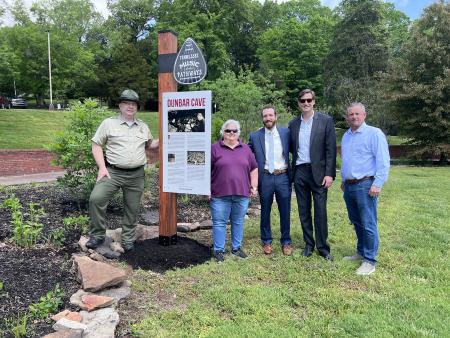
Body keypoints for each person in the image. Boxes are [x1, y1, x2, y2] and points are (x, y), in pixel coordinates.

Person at [86, 89, 159, 252]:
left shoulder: (143, 126)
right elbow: (96, 144)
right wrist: (102, 168)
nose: (130, 106)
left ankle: (127, 239)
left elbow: (149, 145)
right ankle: (97, 235)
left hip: (136, 175)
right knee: (96, 199)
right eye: (126, 103)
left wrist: (164, 138)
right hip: (112, 172)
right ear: (120, 105)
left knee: (132, 208)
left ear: (137, 107)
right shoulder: (108, 124)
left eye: (133, 104)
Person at [341, 102, 390, 275]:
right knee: (356, 221)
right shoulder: (346, 136)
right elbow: (347, 160)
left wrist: (377, 184)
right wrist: (343, 180)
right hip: (349, 186)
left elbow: (383, 161)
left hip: (366, 185)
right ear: (347, 117)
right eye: (351, 114)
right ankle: (361, 252)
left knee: (368, 223)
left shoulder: (374, 134)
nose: (354, 117)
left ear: (364, 115)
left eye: (357, 114)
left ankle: (369, 261)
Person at [289, 89, 336, 261]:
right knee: (303, 210)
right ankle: (309, 244)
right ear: (299, 103)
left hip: (319, 173)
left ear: (314, 101)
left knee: (320, 211)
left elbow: (331, 150)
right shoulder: (293, 124)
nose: (306, 103)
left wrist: (329, 174)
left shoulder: (325, 121)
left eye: (309, 100)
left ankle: (323, 247)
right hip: (300, 171)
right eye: (303, 100)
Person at [210, 119, 258, 262]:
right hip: (219, 194)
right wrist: (206, 189)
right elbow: (205, 170)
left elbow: (254, 168)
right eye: (228, 130)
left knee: (238, 221)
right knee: (219, 222)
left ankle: (236, 248)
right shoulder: (214, 148)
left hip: (242, 193)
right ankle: (219, 250)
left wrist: (254, 186)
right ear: (222, 133)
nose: (231, 133)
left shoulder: (245, 149)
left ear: (238, 133)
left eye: (234, 131)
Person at [248, 106, 292, 255]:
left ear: (276, 116)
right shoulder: (255, 136)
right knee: (265, 210)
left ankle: (286, 241)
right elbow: (246, 155)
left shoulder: (286, 133)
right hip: (265, 177)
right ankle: (266, 241)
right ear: (262, 118)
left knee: (285, 210)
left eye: (270, 115)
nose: (268, 118)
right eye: (265, 116)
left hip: (283, 176)